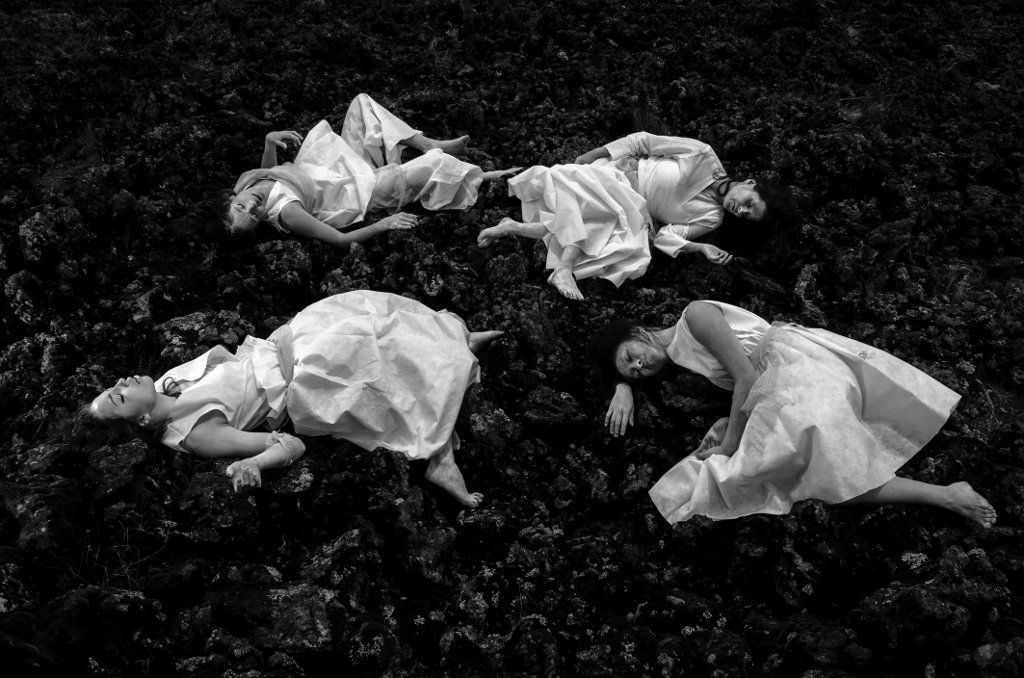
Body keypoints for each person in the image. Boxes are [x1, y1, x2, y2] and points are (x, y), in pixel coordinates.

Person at [590, 300, 997, 526]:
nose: (640, 365)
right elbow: (738, 384)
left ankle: (948, 496)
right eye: (635, 371)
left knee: (806, 472)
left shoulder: (694, 316)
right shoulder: (679, 355)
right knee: (807, 474)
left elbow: (746, 376)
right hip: (776, 380)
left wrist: (730, 442)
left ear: (637, 332)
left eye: (632, 356)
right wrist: (623, 387)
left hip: (791, 366)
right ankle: (946, 495)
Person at [88, 291, 503, 507]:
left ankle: (460, 337)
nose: (121, 383)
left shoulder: (164, 385)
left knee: (369, 312)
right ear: (142, 422)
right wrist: (255, 462)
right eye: (118, 397)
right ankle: (442, 460)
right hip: (303, 382)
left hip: (283, 345)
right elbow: (290, 444)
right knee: (380, 354)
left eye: (112, 387)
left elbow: (222, 359)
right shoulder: (196, 434)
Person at [477, 132, 788, 300]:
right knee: (595, 212)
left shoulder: (712, 218)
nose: (741, 210)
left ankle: (513, 227)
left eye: (746, 215)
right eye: (749, 203)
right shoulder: (703, 156)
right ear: (750, 183)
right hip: (615, 175)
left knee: (612, 234)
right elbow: (642, 141)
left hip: (633, 210)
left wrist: (700, 247)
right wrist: (595, 154)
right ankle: (563, 267)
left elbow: (666, 237)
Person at [227, 93, 519, 248]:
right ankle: (482, 177)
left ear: (230, 199)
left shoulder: (246, 184)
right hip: (357, 190)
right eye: (254, 215)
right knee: (432, 164)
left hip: (336, 163)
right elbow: (339, 240)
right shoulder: (288, 213)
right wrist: (384, 225)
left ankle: (428, 143)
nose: (253, 205)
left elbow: (269, 174)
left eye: (242, 206)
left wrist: (269, 141)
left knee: (362, 103)